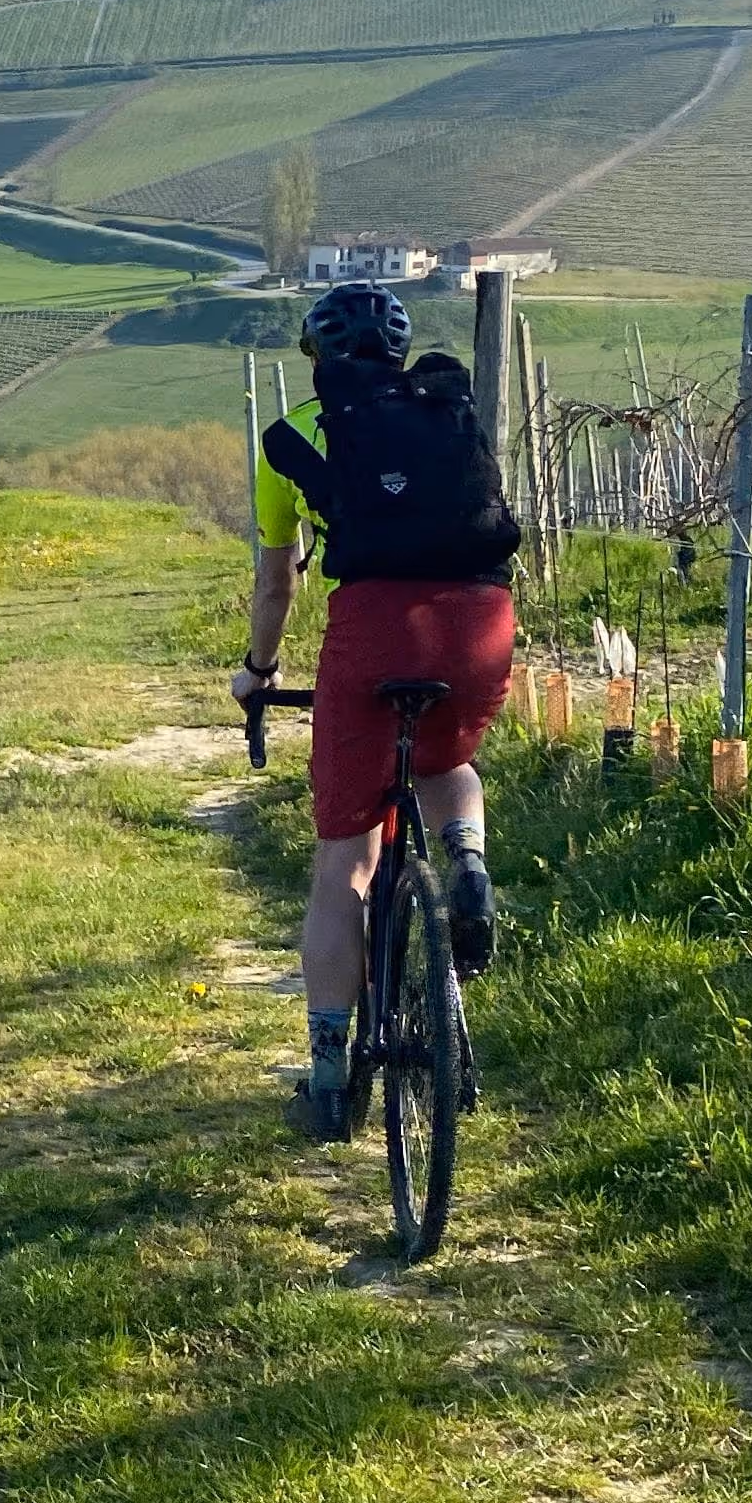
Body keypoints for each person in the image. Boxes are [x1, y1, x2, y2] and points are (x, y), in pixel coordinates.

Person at [226, 282, 522, 1138]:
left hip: (374, 631)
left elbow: (278, 579)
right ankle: (467, 865)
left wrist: (259, 671)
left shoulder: (298, 437)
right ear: (398, 353)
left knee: (342, 863)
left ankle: (328, 1081)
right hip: (480, 621)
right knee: (447, 762)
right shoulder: (446, 408)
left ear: (315, 357)